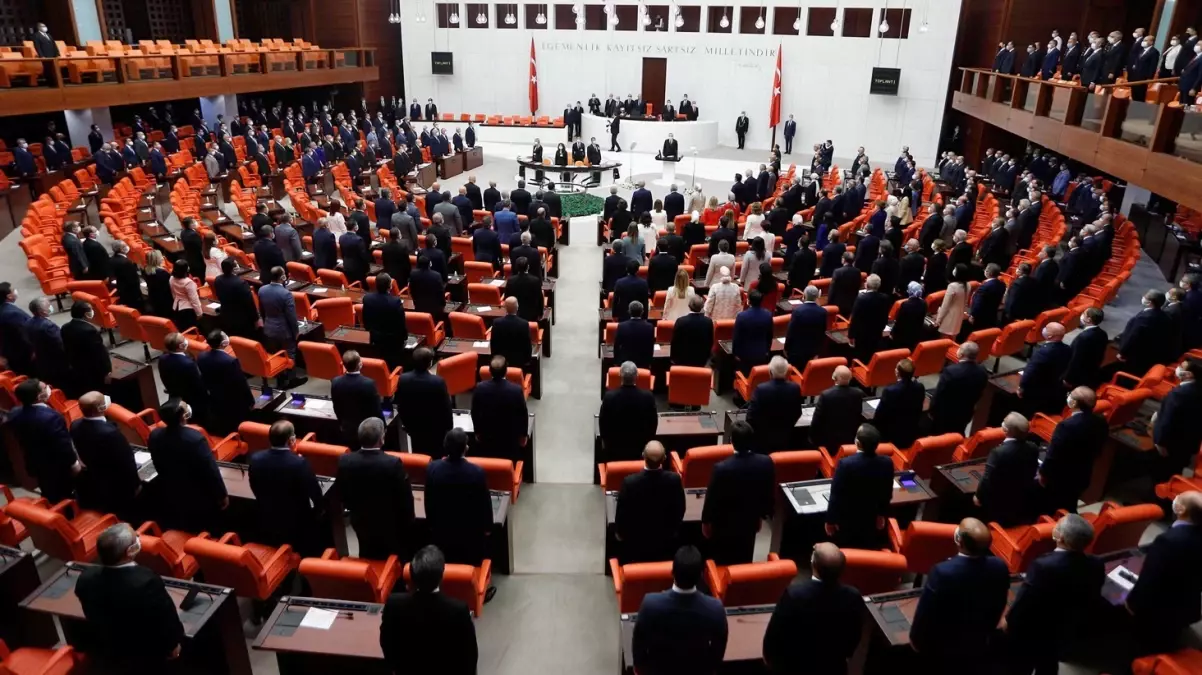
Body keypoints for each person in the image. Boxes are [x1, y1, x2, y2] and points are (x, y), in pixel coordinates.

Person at [74, 523, 185, 673]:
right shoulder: (147, 582)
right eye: (135, 538)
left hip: (108, 649)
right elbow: (165, 621)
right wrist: (173, 646)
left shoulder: (86, 578)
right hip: (146, 655)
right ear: (130, 551)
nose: (138, 537)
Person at [1003, 514, 1104, 675]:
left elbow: (1025, 600)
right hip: (1066, 627)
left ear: (1061, 537)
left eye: (1058, 526)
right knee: (1049, 663)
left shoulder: (1043, 565)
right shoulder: (1096, 563)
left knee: (1021, 664)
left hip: (1035, 629)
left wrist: (1009, 621)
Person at [910, 518, 1012, 672]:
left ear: (959, 541)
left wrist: (915, 640)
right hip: (980, 642)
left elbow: (926, 611)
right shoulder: (1000, 566)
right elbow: (999, 603)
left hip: (944, 649)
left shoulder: (942, 572)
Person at [763, 542, 862, 674]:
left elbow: (774, 637)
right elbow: (854, 637)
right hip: (834, 667)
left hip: (795, 667)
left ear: (812, 563)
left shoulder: (794, 594)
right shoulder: (853, 596)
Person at [380, 545, 478, 675]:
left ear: (412, 575)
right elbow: (469, 657)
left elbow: (386, 642)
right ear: (441, 576)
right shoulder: (458, 611)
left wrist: (397, 669)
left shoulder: (394, 604)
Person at [1125, 491, 1202, 655]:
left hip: (1156, 612)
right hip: (1187, 606)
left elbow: (1150, 579)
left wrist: (1132, 604)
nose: (1175, 499)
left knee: (1140, 645)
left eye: (1179, 499)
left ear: (1181, 509)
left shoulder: (1168, 540)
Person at [633, 545, 728, 674]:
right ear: (700, 576)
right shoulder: (715, 609)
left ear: (672, 572)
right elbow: (718, 652)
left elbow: (639, 646)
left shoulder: (650, 604)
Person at [334, 418, 414, 560]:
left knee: (367, 553)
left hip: (360, 521)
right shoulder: (393, 464)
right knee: (393, 557)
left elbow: (342, 493)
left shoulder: (345, 461)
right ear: (381, 439)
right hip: (390, 524)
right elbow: (404, 499)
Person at [148, 398, 227, 533]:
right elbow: (210, 470)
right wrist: (222, 494)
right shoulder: (195, 438)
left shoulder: (155, 435)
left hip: (171, 491)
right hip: (199, 496)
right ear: (183, 416)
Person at [248, 420, 325, 556]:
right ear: (291, 440)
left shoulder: (255, 459)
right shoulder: (299, 463)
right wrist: (320, 510)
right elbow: (314, 492)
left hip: (267, 516)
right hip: (297, 521)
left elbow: (253, 485)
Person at [702, 421, 775, 564]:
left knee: (723, 561)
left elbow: (711, 499)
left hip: (724, 525)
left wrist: (706, 521)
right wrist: (761, 515)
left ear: (731, 441)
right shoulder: (766, 462)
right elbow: (767, 493)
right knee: (745, 558)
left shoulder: (721, 469)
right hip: (750, 521)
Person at [1037, 386, 1108, 517]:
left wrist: (1043, 473)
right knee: (1070, 503)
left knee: (1052, 508)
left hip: (1060, 479)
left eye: (1071, 395)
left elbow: (1054, 454)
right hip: (1083, 474)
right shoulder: (1101, 422)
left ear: (1074, 403)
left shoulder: (1066, 426)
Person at [425, 429, 494, 565]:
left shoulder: (432, 469)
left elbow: (429, 501)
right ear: (466, 448)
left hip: (442, 533)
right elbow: (484, 504)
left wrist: (431, 524)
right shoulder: (477, 472)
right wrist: (488, 528)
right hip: (471, 536)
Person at [6, 379, 80, 504]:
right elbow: (62, 445)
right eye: (45, 388)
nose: (48, 388)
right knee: (65, 495)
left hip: (35, 462)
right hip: (57, 466)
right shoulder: (51, 418)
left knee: (48, 491)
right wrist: (74, 463)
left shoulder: (14, 413)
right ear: (39, 396)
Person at [824, 423, 894, 549]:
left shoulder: (845, 464)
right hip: (871, 519)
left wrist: (830, 520)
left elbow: (836, 495)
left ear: (857, 442)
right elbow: (886, 493)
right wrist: (881, 514)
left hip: (847, 522)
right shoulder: (887, 463)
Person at [615, 441, 686, 563]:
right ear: (664, 458)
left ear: (643, 455)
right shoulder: (674, 480)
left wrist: (620, 535)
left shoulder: (629, 483)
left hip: (635, 545)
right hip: (666, 544)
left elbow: (622, 515)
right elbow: (680, 510)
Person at [976, 412, 1039, 527]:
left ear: (1006, 430)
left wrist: (978, 497)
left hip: (997, 503)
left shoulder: (998, 452)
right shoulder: (1033, 448)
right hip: (1021, 501)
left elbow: (987, 479)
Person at [1152, 359, 1202, 483]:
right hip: (1189, 442)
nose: (1178, 368)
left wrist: (1160, 442)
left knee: (1161, 475)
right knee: (1176, 470)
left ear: (1189, 374)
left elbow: (1167, 421)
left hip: (1171, 444)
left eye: (1181, 366)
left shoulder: (1179, 394)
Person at [196, 330, 254, 436]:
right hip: (233, 398)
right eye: (225, 336)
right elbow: (241, 383)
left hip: (214, 395)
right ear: (223, 343)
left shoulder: (202, 356)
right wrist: (250, 400)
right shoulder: (230, 361)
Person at [471, 356, 528, 462]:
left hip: (487, 438)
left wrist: (477, 431)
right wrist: (524, 435)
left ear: (489, 370)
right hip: (510, 439)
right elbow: (523, 414)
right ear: (506, 370)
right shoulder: (516, 390)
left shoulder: (480, 388)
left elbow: (474, 412)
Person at [259, 266, 306, 388]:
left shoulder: (262, 290)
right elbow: (291, 316)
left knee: (276, 354)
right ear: (283, 277)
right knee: (290, 354)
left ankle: (280, 378)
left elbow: (262, 310)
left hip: (269, 328)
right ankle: (291, 380)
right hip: (284, 331)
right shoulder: (286, 294)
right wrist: (296, 331)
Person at [746, 357, 803, 453]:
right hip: (786, 438)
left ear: (770, 372)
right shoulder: (795, 388)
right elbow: (798, 412)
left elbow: (751, 417)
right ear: (786, 372)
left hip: (762, 440)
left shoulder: (761, 389)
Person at [929, 342, 988, 434]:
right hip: (966, 412)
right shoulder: (982, 371)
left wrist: (932, 411)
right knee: (958, 434)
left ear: (961, 354)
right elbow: (980, 392)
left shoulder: (950, 371)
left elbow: (939, 394)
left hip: (945, 415)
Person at [61, 300, 112, 398]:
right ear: (86, 314)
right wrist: (107, 371)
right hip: (93, 371)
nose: (93, 311)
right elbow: (100, 353)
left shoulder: (65, 327)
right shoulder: (89, 331)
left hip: (76, 368)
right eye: (91, 310)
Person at [331, 350, 383, 449]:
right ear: (360, 364)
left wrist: (341, 423)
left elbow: (336, 406)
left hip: (347, 427)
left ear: (344, 365)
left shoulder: (335, 382)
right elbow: (376, 409)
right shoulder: (369, 384)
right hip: (368, 429)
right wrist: (383, 426)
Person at [1117, 289, 1173, 379]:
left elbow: (1134, 336)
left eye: (1145, 296)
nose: (1143, 297)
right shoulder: (1165, 316)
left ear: (1150, 302)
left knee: (1129, 373)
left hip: (1137, 354)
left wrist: (1123, 352)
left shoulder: (1145, 317)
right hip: (1150, 353)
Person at [1019, 322, 1071, 416]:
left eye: (1046, 328)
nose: (1044, 329)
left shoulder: (1043, 352)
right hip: (1055, 391)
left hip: (1037, 392)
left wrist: (1022, 387)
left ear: (1050, 335)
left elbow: (1031, 372)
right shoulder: (1067, 349)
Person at [873, 359, 926, 449]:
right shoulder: (920, 387)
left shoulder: (890, 391)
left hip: (891, 434)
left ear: (897, 372)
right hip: (911, 429)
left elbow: (879, 415)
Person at [810, 365, 864, 452]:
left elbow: (817, 420)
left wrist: (812, 439)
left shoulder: (826, 395)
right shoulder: (858, 393)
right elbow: (858, 414)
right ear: (850, 378)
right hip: (850, 438)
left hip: (828, 440)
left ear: (833, 377)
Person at [211, 258, 258, 339]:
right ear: (234, 268)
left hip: (226, 316)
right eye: (236, 264)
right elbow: (249, 303)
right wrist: (256, 318)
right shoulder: (241, 283)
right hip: (242, 319)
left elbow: (218, 295)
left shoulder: (218, 279)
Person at [1064, 307, 1108, 389]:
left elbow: (1076, 358)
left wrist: (1068, 379)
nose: (1081, 315)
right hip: (1090, 372)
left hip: (1077, 375)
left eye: (1083, 314)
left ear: (1088, 319)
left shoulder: (1084, 337)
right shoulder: (1103, 333)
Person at [490, 297, 533, 369]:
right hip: (519, 361)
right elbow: (527, 344)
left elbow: (493, 343)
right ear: (517, 307)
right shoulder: (524, 324)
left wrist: (494, 358)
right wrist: (528, 360)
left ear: (505, 308)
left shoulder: (496, 323)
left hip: (501, 362)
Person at [671, 296, 714, 367]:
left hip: (683, 359)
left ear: (689, 306)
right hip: (702, 359)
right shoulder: (708, 321)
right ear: (702, 306)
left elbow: (675, 342)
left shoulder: (681, 321)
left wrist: (673, 358)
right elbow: (710, 342)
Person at [615, 301, 655, 369]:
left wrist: (616, 361)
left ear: (629, 312)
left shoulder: (622, 326)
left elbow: (617, 345)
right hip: (643, 362)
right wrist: (649, 362)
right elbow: (650, 346)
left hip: (626, 362)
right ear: (642, 312)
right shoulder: (649, 327)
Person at [934, 263, 968, 339]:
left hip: (949, 316)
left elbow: (945, 305)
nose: (954, 270)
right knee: (953, 338)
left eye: (955, 269)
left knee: (943, 339)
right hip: (959, 316)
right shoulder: (968, 285)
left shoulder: (952, 286)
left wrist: (938, 320)